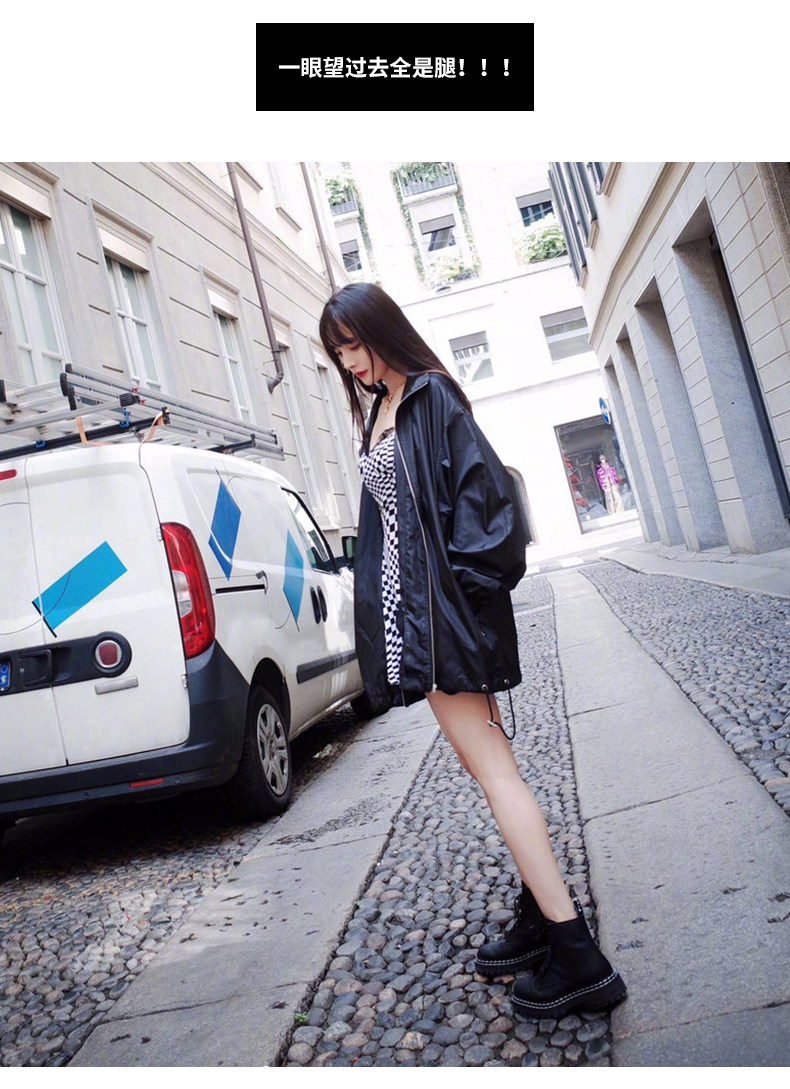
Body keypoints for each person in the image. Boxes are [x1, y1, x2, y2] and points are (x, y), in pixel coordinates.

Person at [319, 282, 626, 1021]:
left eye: (354, 343)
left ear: (382, 330)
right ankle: (539, 912)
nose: (350, 360)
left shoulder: (430, 398)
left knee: (494, 771)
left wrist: (455, 605)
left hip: (439, 617)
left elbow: (486, 510)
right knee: (486, 766)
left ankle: (578, 956)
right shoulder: (387, 405)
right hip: (419, 619)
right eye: (338, 351)